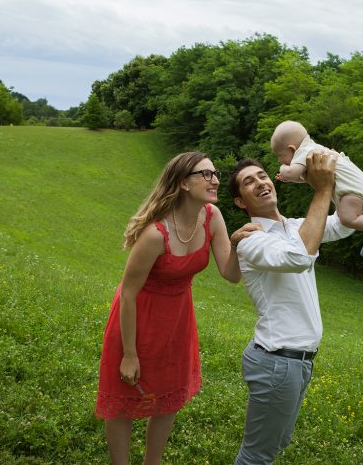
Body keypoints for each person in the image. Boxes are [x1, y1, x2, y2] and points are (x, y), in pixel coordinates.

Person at [95, 151, 257, 465]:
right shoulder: (156, 234)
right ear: (184, 182)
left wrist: (238, 245)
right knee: (123, 398)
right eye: (205, 174)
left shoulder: (212, 217)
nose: (215, 180)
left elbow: (231, 274)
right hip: (138, 318)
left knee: (168, 399)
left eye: (215, 173)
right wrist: (129, 354)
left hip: (178, 320)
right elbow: (128, 294)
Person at [228, 151, 354, 464]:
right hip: (277, 362)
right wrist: (322, 190)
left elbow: (346, 223)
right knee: (257, 455)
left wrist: (341, 174)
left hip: (296, 362)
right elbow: (298, 258)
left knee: (275, 443)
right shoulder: (251, 241)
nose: (259, 182)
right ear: (240, 202)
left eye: (261, 176)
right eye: (248, 182)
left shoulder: (298, 227)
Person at [271, 120, 363, 258]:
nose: (280, 161)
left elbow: (291, 173)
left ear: (292, 149)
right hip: (359, 187)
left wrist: (284, 170)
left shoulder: (305, 151)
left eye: (280, 156)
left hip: (354, 189)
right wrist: (290, 177)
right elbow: (304, 178)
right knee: (352, 215)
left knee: (346, 219)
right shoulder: (315, 149)